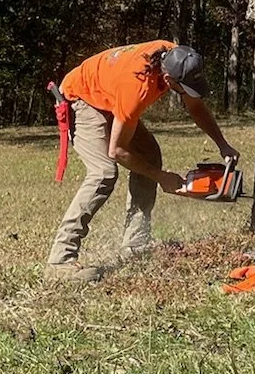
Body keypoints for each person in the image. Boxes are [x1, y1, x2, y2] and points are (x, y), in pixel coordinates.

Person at [45, 40, 240, 281]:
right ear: (168, 80)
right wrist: (162, 178)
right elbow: (116, 151)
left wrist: (222, 144)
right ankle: (59, 260)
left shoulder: (175, 57)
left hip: (108, 94)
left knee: (149, 155)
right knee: (103, 174)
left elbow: (196, 107)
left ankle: (135, 243)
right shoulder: (136, 87)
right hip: (81, 98)